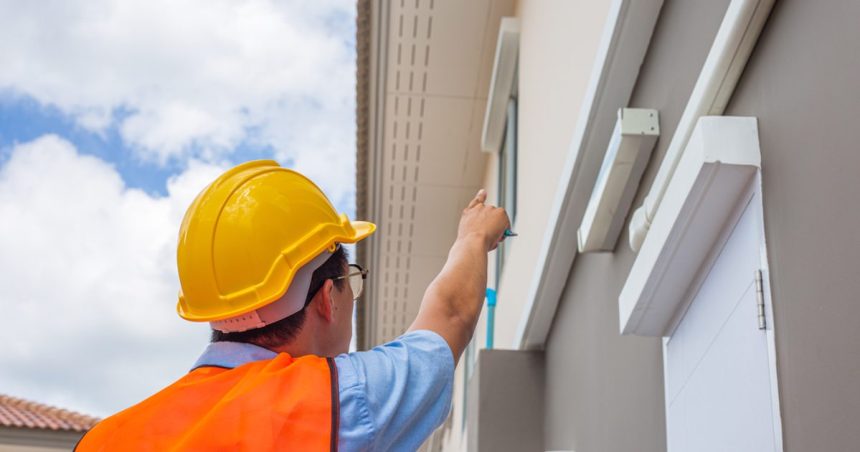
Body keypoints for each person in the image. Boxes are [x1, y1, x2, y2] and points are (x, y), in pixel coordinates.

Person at [76, 160, 510, 451]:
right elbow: (449, 317)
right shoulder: (335, 404)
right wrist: (473, 236)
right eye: (350, 282)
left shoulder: (103, 439)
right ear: (327, 298)